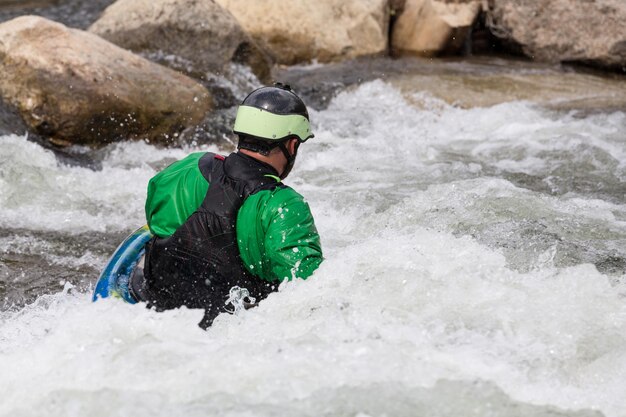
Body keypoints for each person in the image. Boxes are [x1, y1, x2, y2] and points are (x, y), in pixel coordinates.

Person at [130, 83, 323, 328]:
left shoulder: (191, 166)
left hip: (156, 302)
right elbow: (309, 287)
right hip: (228, 329)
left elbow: (157, 220)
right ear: (292, 145)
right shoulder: (285, 205)